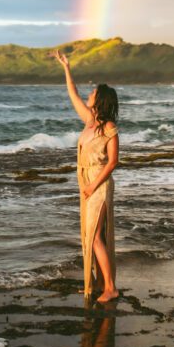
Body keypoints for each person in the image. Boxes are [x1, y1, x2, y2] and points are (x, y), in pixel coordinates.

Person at [52, 49, 120, 303]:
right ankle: (98, 283)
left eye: (93, 93)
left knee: (94, 237)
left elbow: (113, 161)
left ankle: (111, 288)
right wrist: (66, 67)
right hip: (86, 182)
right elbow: (73, 94)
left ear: (100, 99)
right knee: (90, 235)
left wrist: (93, 185)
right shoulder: (90, 121)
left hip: (99, 185)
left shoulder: (109, 127)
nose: (89, 95)